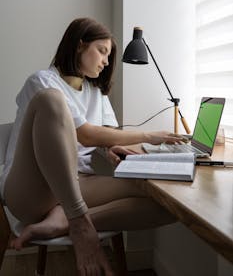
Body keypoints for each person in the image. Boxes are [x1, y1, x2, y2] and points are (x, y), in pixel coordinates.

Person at [0, 18, 184, 276]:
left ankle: (64, 221)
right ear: (79, 46)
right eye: (102, 51)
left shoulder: (96, 93)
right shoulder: (42, 81)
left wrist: (109, 149)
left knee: (170, 200)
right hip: (32, 191)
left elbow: (103, 137)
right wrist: (151, 135)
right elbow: (86, 135)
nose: (106, 62)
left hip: (77, 184)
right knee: (52, 101)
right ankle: (78, 221)